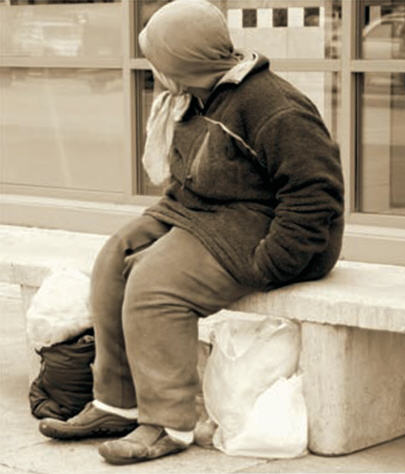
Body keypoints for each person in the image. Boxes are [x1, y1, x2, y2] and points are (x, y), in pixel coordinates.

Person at [38, 0, 345, 465]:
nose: (153, 67)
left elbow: (315, 196)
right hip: (202, 212)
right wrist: (153, 224)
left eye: (159, 57)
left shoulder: (273, 106)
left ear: (184, 60)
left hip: (269, 227)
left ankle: (168, 424)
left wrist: (272, 262)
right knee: (115, 259)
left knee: (154, 284)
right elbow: (187, 181)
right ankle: (117, 403)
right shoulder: (195, 95)